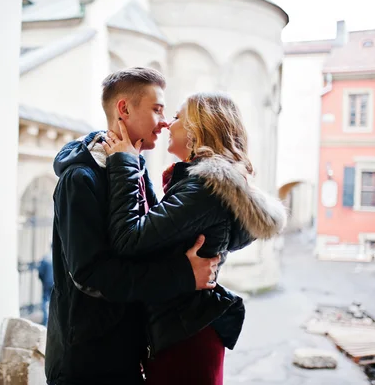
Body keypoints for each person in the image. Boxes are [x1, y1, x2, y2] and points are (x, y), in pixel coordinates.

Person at [46, 68, 221, 385]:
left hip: (128, 352)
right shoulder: (80, 179)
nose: (166, 121)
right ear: (124, 109)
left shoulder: (131, 167)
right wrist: (183, 275)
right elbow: (92, 275)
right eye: (157, 110)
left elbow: (145, 246)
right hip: (89, 362)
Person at [101, 91, 288, 385]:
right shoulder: (201, 187)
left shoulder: (203, 190)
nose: (166, 124)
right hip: (185, 330)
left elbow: (129, 239)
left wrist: (123, 163)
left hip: (185, 339)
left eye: (176, 117)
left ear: (196, 131)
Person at [37, 253, 53, 326]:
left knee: (46, 302)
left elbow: (40, 273)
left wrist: (44, 281)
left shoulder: (46, 258)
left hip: (47, 284)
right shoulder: (58, 257)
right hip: (55, 284)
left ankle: (46, 322)